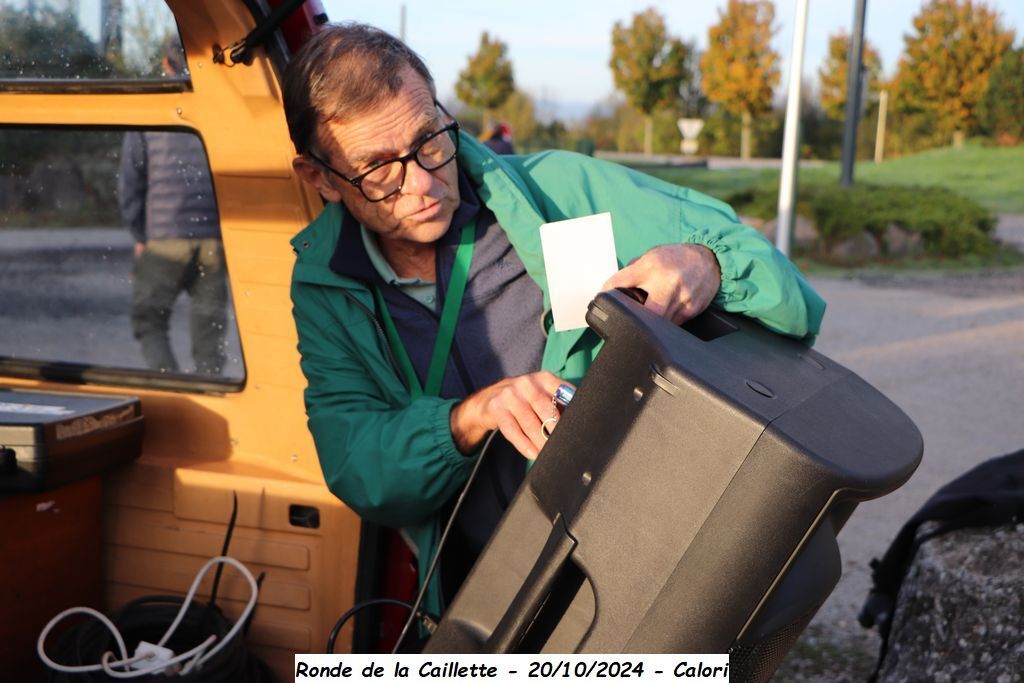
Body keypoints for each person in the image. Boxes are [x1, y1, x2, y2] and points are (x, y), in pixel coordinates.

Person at [283, 23, 825, 617]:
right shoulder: (324, 287)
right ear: (320, 179)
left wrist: (705, 264)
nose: (422, 184)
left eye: (430, 141)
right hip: (495, 602)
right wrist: (467, 420)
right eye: (379, 170)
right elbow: (358, 466)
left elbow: (790, 296)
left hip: (654, 563)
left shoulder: (564, 191)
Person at [118, 39, 227, 375]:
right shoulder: (220, 110)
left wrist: (140, 234)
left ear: (166, 65)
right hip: (214, 241)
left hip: (165, 238)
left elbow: (130, 184)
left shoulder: (150, 111)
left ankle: (172, 385)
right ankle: (211, 399)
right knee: (210, 338)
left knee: (149, 322)